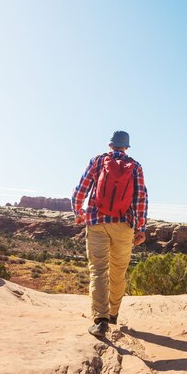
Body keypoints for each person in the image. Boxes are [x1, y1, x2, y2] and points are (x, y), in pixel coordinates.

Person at [71, 130, 148, 338]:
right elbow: (140, 198)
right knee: (118, 271)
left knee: (98, 270)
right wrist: (141, 228)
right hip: (124, 225)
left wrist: (79, 212)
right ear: (126, 147)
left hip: (97, 222)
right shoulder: (135, 167)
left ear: (110, 145)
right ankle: (113, 313)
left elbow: (81, 189)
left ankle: (101, 320)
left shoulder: (97, 161)